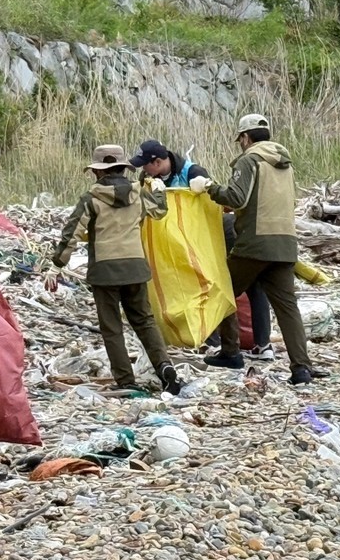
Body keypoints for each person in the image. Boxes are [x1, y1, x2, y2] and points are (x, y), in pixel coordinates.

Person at [191, 114, 315, 385]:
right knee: (287, 307)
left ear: (245, 138)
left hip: (255, 243)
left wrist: (209, 187)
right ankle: (301, 368)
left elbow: (236, 198)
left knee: (223, 291)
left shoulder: (250, 160)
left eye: (240, 140)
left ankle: (230, 352)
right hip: (285, 243)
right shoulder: (285, 164)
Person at [49, 145, 181, 396]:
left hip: (105, 271)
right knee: (145, 322)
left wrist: (56, 265)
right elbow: (160, 211)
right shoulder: (138, 194)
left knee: (112, 328)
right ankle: (164, 366)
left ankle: (126, 380)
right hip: (135, 267)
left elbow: (72, 233)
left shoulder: (91, 199)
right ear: (123, 168)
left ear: (98, 172)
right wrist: (160, 192)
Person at [132, 138, 274, 360]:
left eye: (145, 164)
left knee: (222, 284)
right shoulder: (149, 178)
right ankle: (211, 341)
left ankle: (257, 344)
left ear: (158, 162)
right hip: (177, 242)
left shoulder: (192, 172)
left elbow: (214, 202)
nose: (143, 169)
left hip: (209, 237)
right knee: (193, 285)